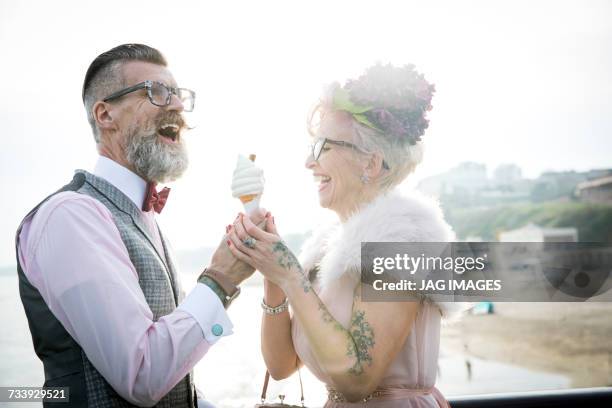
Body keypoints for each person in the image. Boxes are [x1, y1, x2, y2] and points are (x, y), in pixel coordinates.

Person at [15, 43, 266, 407]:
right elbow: (142, 375)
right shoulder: (70, 216)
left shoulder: (144, 218)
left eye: (178, 95)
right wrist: (220, 279)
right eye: (157, 92)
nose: (177, 106)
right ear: (105, 115)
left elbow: (174, 384)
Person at [227, 64, 466, 407]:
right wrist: (274, 277)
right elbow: (281, 366)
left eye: (324, 146)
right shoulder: (328, 249)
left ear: (370, 163)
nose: (310, 162)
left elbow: (358, 378)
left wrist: (291, 275)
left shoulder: (400, 242)